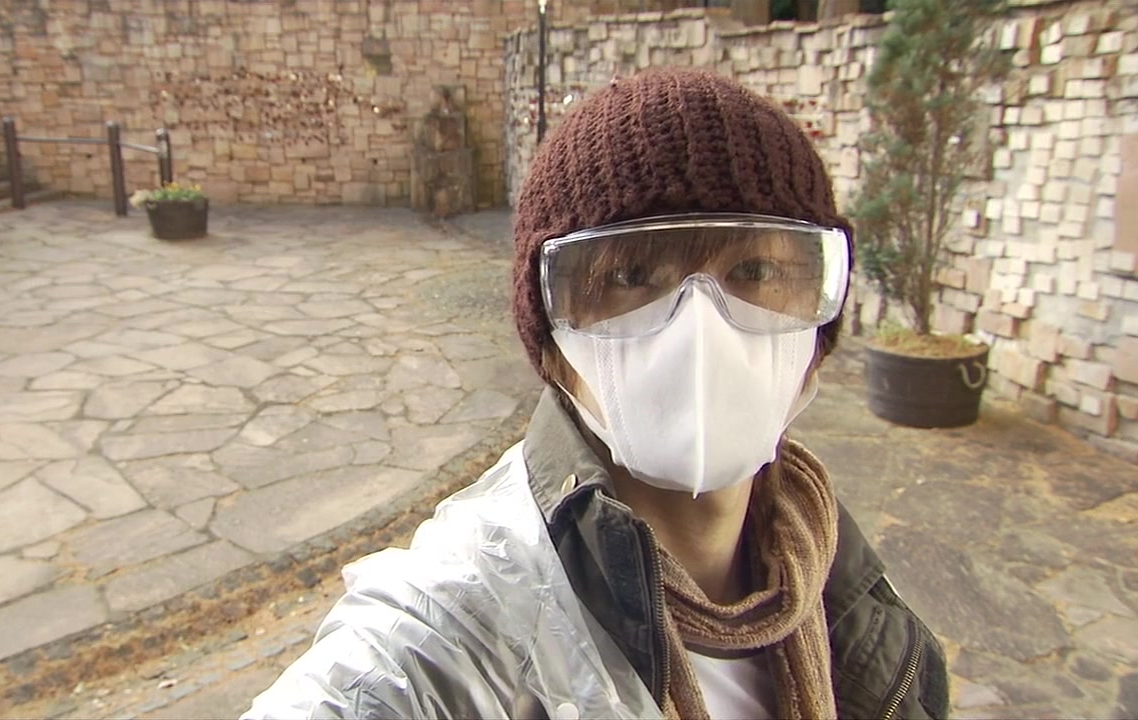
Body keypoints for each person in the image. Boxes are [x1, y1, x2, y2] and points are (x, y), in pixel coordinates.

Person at [242, 67, 949, 720]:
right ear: (552, 342)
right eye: (631, 276)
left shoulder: (853, 606)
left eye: (756, 271)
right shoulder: (467, 621)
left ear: (818, 330)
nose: (700, 331)